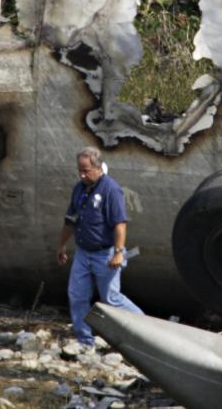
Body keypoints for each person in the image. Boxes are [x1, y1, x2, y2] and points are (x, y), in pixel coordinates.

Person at [56, 146, 144, 348]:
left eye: (86, 170)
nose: (82, 174)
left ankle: (144, 329)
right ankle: (85, 341)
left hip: (105, 254)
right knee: (77, 296)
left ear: (98, 168)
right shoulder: (79, 189)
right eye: (80, 169)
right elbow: (70, 220)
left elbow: (120, 225)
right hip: (82, 253)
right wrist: (61, 245)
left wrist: (119, 253)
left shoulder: (110, 189)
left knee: (111, 299)